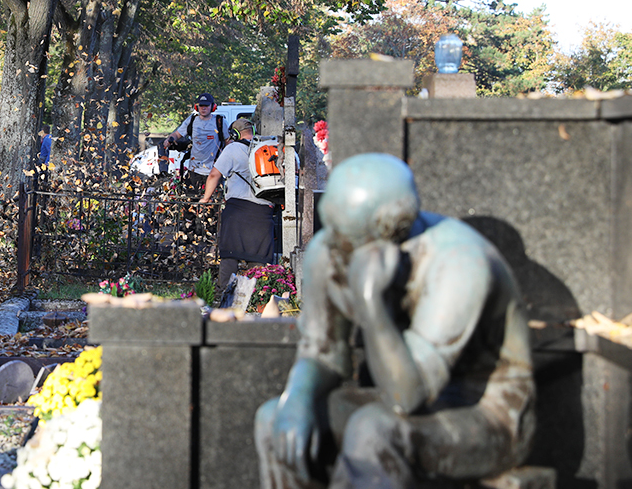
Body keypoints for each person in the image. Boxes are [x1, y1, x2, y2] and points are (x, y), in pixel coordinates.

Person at [254, 153, 534, 489]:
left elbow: (406, 396)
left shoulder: (459, 262)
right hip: (394, 399)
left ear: (392, 233)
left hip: (488, 414)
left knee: (373, 431)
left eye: (348, 243)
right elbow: (323, 352)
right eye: (334, 235)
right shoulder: (329, 248)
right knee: (274, 420)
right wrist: (298, 396)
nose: (334, 253)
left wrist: (372, 304)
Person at [198, 119, 274, 298]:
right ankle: (257, 297)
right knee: (258, 258)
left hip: (238, 210)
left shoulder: (232, 149)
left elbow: (215, 174)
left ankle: (224, 294)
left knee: (230, 255)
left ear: (235, 135)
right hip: (263, 211)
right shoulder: (266, 149)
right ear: (253, 130)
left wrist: (206, 198)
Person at [164, 93, 229, 195]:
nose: (203, 108)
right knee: (191, 204)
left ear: (213, 106)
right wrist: (169, 139)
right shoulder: (192, 120)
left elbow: (228, 142)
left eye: (206, 106)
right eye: (201, 106)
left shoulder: (220, 122)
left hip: (214, 171)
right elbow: (177, 134)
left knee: (213, 206)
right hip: (194, 170)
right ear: (196, 107)